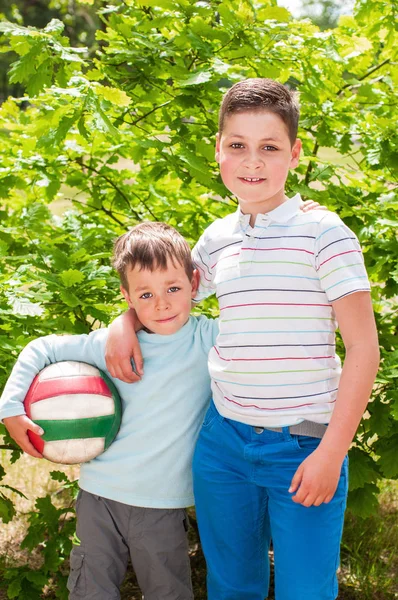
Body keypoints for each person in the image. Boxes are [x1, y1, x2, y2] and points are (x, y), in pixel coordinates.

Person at [105, 79, 380, 600]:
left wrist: (331, 452)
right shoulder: (215, 239)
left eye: (269, 147)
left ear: (294, 154)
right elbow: (166, 302)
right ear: (219, 151)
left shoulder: (325, 235)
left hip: (304, 447)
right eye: (237, 145)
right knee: (232, 587)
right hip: (223, 444)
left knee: (306, 591)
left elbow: (365, 351)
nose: (252, 161)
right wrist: (124, 322)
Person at [0, 222, 219, 600]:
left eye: (173, 288)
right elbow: (41, 350)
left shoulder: (207, 339)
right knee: (90, 589)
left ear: (194, 284)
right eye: (145, 294)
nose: (162, 303)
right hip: (98, 496)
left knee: (168, 591)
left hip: (162, 504)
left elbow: (259, 320)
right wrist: (10, 406)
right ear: (127, 295)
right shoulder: (111, 344)